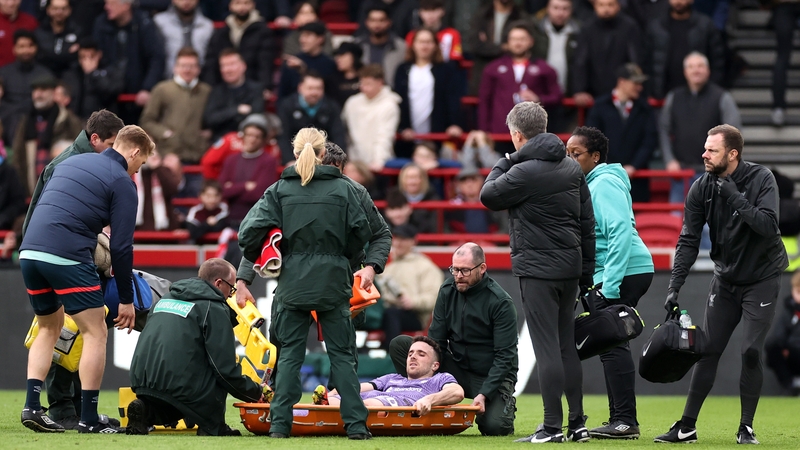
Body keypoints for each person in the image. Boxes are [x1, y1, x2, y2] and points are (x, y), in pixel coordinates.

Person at [654, 124, 789, 445]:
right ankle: (686, 427)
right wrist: (675, 286)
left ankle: (746, 427)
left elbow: (769, 227)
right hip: (726, 279)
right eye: (705, 148)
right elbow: (687, 240)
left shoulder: (761, 179)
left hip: (762, 278)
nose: (704, 154)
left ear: (732, 154)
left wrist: (735, 197)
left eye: (711, 150)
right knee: (707, 350)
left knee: (751, 350)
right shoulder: (700, 187)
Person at [236, 127, 374, 440]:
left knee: (288, 359)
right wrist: (346, 258)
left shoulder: (279, 190)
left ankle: (280, 427)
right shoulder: (346, 190)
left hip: (292, 284)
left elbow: (248, 233)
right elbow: (362, 234)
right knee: (342, 358)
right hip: (334, 283)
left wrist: (265, 254)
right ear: (324, 153)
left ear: (296, 153)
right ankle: (356, 427)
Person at [20, 124, 153, 434]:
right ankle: (89, 419)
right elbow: (121, 247)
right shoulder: (123, 182)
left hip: (29, 251)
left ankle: (32, 407)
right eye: (141, 163)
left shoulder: (70, 160)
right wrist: (125, 299)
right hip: (66, 254)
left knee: (48, 327)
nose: (137, 171)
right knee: (95, 332)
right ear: (134, 152)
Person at [481, 101, 595, 443]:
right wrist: (586, 271)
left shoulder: (522, 170)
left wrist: (509, 158)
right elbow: (587, 223)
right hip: (570, 268)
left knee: (546, 347)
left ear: (517, 135)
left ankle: (550, 427)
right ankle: (577, 424)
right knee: (565, 347)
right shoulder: (571, 168)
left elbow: (488, 194)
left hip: (537, 269)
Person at [566, 126, 654, 439]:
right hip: (620, 271)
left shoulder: (602, 184)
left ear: (595, 156)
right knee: (610, 344)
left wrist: (610, 288)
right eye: (567, 153)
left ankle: (625, 420)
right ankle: (621, 418)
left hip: (622, 272)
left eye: (576, 154)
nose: (570, 159)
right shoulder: (593, 182)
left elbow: (618, 234)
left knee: (613, 342)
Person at [389, 243, 518, 436]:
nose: (458, 276)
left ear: (482, 268)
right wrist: (428, 371)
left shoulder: (501, 303)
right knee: (401, 345)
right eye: (454, 269)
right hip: (456, 368)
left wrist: (484, 394)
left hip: (489, 374)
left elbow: (505, 356)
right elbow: (436, 341)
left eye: (464, 270)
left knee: (495, 427)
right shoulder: (448, 289)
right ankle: (417, 393)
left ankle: (502, 401)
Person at [127, 258, 264, 436]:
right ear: (219, 283)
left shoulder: (166, 298)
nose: (230, 295)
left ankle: (146, 411)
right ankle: (212, 426)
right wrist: (254, 392)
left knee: (171, 400)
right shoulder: (213, 307)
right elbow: (224, 369)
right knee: (213, 368)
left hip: (141, 381)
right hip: (180, 385)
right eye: (231, 289)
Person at [661, 52, 741, 204]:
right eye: (691, 67)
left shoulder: (722, 97)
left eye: (700, 66)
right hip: (681, 175)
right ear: (685, 72)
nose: (695, 70)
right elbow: (663, 130)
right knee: (679, 223)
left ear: (708, 70)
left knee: (709, 225)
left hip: (712, 175)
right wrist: (669, 160)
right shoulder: (674, 97)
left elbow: (733, 135)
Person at [320, 336, 464, 412]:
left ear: (435, 365)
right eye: (410, 354)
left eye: (421, 354)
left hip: (393, 404)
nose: (413, 357)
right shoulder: (392, 378)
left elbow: (457, 392)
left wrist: (429, 400)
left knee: (369, 404)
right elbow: (362, 387)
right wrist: (336, 392)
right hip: (372, 400)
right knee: (335, 398)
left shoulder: (439, 378)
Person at [585, 63, 658, 203]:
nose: (640, 88)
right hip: (605, 177)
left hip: (636, 180)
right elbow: (591, 140)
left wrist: (634, 166)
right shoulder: (600, 106)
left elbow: (650, 141)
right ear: (621, 82)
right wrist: (610, 167)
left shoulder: (645, 109)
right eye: (635, 83)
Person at [478, 21, 561, 137]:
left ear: (531, 41)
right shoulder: (493, 68)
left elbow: (557, 96)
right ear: (508, 42)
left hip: (532, 135)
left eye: (522, 39)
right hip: (499, 133)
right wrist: (484, 130)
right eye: (514, 39)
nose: (518, 43)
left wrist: (539, 99)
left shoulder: (545, 69)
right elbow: (484, 101)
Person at [395, 26, 463, 157]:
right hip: (408, 136)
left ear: (435, 45)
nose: (424, 46)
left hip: (436, 134)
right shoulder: (402, 70)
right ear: (413, 45)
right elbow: (399, 100)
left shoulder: (445, 70)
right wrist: (402, 127)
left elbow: (452, 99)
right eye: (420, 42)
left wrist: (454, 124)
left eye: (428, 42)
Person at [11, 74, 82, 195]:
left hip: (63, 190)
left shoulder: (68, 120)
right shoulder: (26, 122)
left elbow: (81, 151)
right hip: (32, 191)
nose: (38, 94)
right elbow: (17, 157)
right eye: (35, 90)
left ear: (53, 93)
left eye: (43, 90)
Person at [139, 47, 212, 166]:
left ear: (198, 69)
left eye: (192, 66)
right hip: (169, 155)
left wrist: (209, 133)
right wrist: (165, 133)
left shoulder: (206, 91)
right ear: (175, 68)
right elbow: (147, 120)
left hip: (199, 155)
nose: (187, 70)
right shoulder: (162, 89)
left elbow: (213, 117)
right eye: (183, 66)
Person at [92, 0, 165, 117]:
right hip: (108, 96)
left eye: (111, 3)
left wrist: (147, 88)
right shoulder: (101, 24)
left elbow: (156, 58)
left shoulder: (144, 23)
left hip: (138, 96)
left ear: (125, 5)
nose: (106, 7)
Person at [377, 224, 443, 345]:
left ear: (413, 241)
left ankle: (391, 356)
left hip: (415, 315)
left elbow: (434, 298)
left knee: (392, 314)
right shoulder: (389, 267)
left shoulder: (425, 267)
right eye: (396, 239)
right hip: (388, 310)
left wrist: (413, 302)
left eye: (403, 239)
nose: (398, 243)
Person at [645, 0, 725, 100]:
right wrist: (651, 90)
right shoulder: (656, 26)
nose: (678, 1)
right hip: (663, 95)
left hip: (699, 95)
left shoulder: (705, 25)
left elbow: (717, 61)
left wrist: (711, 90)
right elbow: (647, 62)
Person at [572, 0, 642, 108]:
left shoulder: (630, 27)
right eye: (601, 5)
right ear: (595, 6)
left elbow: (635, 60)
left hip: (623, 92)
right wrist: (580, 90)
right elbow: (580, 61)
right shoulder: (587, 28)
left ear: (618, 6)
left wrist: (632, 86)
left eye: (610, 5)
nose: (606, 9)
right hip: (593, 93)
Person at [202, 0, 275, 97]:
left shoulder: (263, 31)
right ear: (230, 6)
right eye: (237, 3)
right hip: (223, 87)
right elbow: (211, 62)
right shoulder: (221, 32)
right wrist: (210, 87)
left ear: (253, 5)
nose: (242, 7)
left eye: (246, 3)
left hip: (252, 87)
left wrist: (265, 86)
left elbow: (265, 62)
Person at [218, 113, 279, 224]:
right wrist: (245, 186)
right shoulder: (231, 160)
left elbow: (260, 194)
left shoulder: (268, 161)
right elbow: (221, 191)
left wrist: (233, 188)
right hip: (231, 218)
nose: (252, 140)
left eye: (257, 136)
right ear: (243, 136)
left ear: (263, 139)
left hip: (257, 218)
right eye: (249, 135)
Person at [341, 64, 401, 172]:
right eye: (362, 83)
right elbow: (343, 131)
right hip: (355, 162)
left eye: (369, 84)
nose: (364, 88)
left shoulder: (389, 105)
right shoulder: (352, 102)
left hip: (378, 163)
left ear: (380, 83)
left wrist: (379, 160)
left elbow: (385, 135)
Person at [276, 72, 345, 165]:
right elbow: (283, 136)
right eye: (310, 88)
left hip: (324, 159)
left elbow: (338, 135)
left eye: (318, 88)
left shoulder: (332, 107)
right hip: (296, 158)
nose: (314, 93)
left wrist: (336, 160)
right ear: (300, 88)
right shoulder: (287, 106)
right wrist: (289, 160)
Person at [465, 0, 528, 96]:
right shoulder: (482, 15)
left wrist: (488, 45)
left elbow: (524, 46)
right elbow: (475, 45)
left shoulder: (521, 16)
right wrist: (504, 47)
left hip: (511, 79)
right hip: (482, 76)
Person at [202, 48, 264, 142]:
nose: (227, 70)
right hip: (221, 141)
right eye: (223, 66)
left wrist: (224, 116)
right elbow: (210, 119)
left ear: (243, 66)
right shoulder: (216, 91)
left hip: (248, 142)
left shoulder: (256, 89)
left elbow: (256, 116)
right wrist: (237, 110)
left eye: (231, 64)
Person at [61, 37, 125, 121]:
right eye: (83, 57)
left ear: (99, 54)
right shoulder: (71, 74)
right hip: (76, 122)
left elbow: (112, 91)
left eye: (91, 57)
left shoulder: (110, 72)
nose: (87, 61)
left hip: (103, 122)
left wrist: (93, 74)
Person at [153, 0, 214, 80]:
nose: (186, 1)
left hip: (200, 81)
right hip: (167, 80)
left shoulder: (207, 26)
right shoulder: (159, 22)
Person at [276, 21, 337, 99]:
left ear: (320, 39)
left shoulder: (330, 64)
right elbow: (282, 94)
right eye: (302, 36)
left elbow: (331, 94)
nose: (302, 40)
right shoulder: (291, 62)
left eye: (307, 36)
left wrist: (303, 69)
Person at [766, 270, 800, 395]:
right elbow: (778, 335)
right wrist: (784, 348)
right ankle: (790, 385)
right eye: (798, 292)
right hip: (794, 355)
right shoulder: (789, 312)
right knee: (772, 347)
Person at [355, 5, 407, 88]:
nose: (377, 24)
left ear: (389, 22)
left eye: (381, 20)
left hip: (392, 93)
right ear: (367, 22)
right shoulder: (357, 45)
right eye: (373, 20)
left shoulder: (401, 47)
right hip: (363, 92)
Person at [0, 29, 53, 108]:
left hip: (35, 116)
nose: (26, 50)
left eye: (30, 46)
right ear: (14, 49)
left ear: (36, 48)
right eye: (21, 46)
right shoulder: (3, 73)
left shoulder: (45, 74)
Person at [446, 167, 504, 234]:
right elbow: (446, 230)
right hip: (460, 243)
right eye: (464, 180)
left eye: (474, 179)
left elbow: (504, 228)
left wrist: (492, 240)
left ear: (481, 181)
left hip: (489, 243)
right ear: (458, 185)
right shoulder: (452, 207)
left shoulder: (494, 204)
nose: (469, 184)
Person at [770, 0, 800, 126]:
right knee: (782, 57)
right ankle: (778, 107)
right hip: (782, 6)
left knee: (782, 56)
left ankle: (778, 108)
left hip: (782, 5)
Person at [33, 0, 81, 78]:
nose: (59, 12)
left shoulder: (78, 32)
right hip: (43, 74)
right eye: (55, 8)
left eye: (63, 9)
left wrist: (49, 55)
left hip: (71, 74)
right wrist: (67, 54)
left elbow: (77, 59)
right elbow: (40, 57)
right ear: (48, 10)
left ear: (69, 10)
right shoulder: (39, 32)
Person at [397, 163, 440, 233]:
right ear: (402, 180)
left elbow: (434, 226)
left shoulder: (433, 199)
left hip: (426, 241)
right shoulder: (394, 197)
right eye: (408, 178)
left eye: (416, 177)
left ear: (423, 180)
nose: (412, 182)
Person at [0, 0, 38, 68]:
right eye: (5, 0)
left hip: (27, 73)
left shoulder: (31, 22)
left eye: (15, 0)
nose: (10, 3)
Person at [330, 42, 363, 107]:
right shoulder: (332, 80)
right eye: (337, 56)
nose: (338, 59)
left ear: (354, 57)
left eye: (342, 55)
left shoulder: (365, 77)